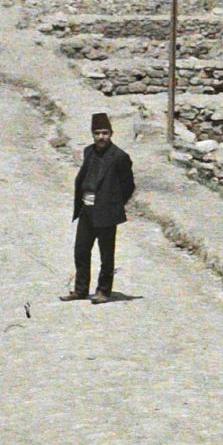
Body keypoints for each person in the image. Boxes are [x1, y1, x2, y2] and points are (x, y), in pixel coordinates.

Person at [61, 112, 135, 304]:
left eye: (105, 133)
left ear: (111, 134)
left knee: (106, 254)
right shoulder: (88, 152)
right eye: (97, 133)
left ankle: (103, 291)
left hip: (106, 213)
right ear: (92, 134)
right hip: (87, 210)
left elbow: (129, 186)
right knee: (81, 251)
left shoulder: (120, 157)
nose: (101, 137)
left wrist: (113, 204)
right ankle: (80, 289)